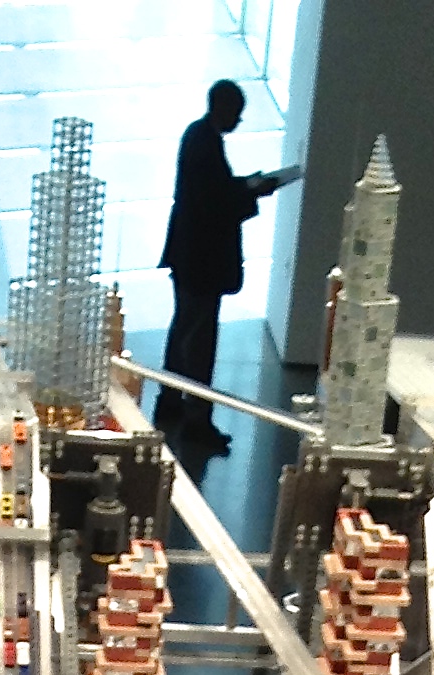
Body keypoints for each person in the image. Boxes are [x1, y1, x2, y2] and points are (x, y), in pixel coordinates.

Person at [157, 81, 292, 456]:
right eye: (237, 113)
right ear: (224, 109)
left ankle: (170, 402)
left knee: (184, 330)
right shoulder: (206, 143)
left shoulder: (198, 137)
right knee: (199, 342)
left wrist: (244, 187)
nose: (239, 120)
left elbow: (211, 192)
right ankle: (196, 420)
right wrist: (252, 190)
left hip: (188, 255)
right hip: (201, 260)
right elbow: (214, 204)